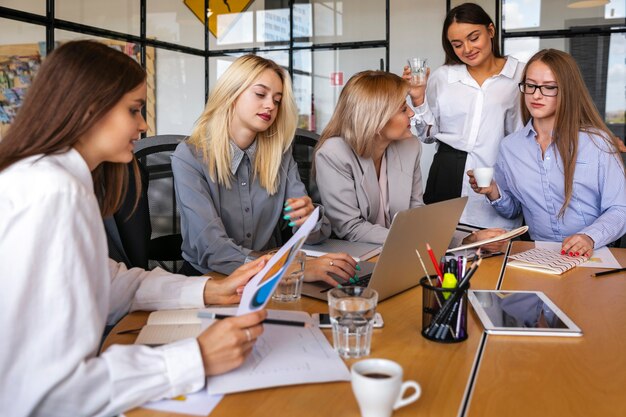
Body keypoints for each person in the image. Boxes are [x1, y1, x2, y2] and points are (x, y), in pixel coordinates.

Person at [0, 40, 268, 416]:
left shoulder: (55, 181)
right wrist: (197, 357)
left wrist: (210, 289)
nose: (144, 125)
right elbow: (50, 393)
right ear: (89, 108)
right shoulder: (52, 193)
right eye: (134, 110)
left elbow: (110, 284)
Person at [172, 55, 357, 286]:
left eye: (277, 100)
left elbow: (317, 236)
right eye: (260, 94)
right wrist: (291, 269)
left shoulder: (279, 155)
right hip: (211, 280)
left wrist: (308, 221)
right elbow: (213, 249)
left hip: (269, 277)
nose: (270, 105)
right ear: (232, 93)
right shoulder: (190, 156)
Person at [314, 70, 505, 251]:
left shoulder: (409, 147)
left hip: (399, 252)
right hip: (351, 258)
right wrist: (425, 240)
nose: (412, 114)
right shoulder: (334, 154)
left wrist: (467, 239)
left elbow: (416, 214)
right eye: (403, 108)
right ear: (376, 118)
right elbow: (350, 228)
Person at [469, 49, 626, 257]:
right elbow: (514, 209)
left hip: (597, 254)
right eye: (531, 85)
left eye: (549, 87)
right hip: (539, 255)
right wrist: (493, 191)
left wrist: (589, 237)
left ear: (567, 91)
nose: (536, 95)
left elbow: (620, 208)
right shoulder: (510, 147)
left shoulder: (597, 143)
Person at [403, 2, 524, 230]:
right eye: (457, 44)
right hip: (446, 174)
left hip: (498, 178)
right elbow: (429, 136)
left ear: (490, 30)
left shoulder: (520, 74)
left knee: (497, 249)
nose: (467, 49)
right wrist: (418, 98)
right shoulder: (444, 77)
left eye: (473, 37)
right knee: (444, 248)